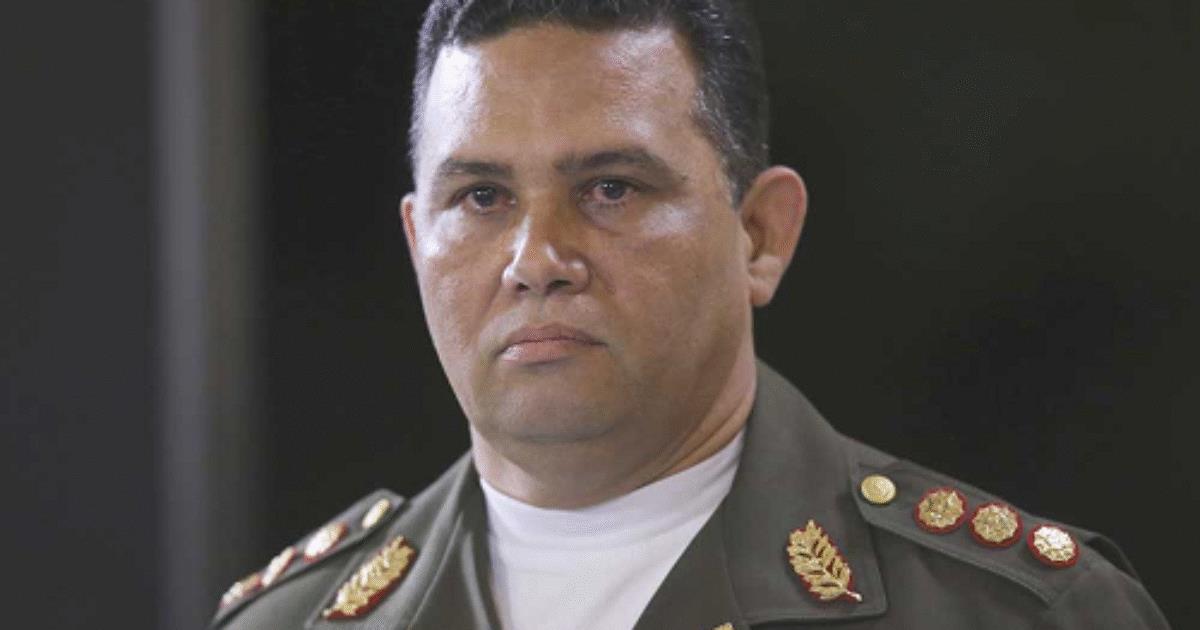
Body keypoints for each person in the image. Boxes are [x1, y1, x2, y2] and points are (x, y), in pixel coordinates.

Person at [210, 1, 1170, 628]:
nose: (537, 260)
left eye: (613, 189)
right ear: (418, 238)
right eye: (483, 198)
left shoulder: (1016, 615)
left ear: (760, 234)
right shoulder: (289, 622)